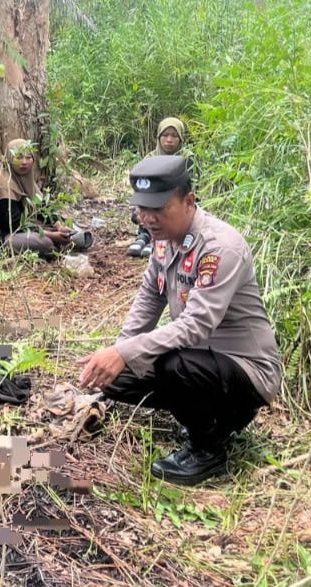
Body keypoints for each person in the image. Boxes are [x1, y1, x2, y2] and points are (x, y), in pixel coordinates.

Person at [77, 155, 281, 485]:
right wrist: (117, 353)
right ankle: (215, 417)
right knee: (114, 380)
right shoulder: (165, 242)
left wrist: (126, 353)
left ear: (189, 200)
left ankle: (208, 448)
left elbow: (196, 325)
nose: (148, 218)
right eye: (143, 209)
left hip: (244, 368)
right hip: (197, 357)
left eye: (158, 209)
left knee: (175, 367)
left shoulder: (219, 248)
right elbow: (148, 300)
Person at [0, 139, 86, 258]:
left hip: (21, 230)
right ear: (9, 159)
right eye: (19, 157)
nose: (24, 162)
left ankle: (66, 240)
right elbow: (15, 225)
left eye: (28, 157)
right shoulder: (1, 185)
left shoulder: (25, 179)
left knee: (68, 228)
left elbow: (41, 207)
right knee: (45, 243)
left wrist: (59, 225)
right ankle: (57, 244)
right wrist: (52, 235)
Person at [127, 116, 192, 258]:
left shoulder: (187, 159)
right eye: (165, 135)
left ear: (181, 139)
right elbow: (141, 190)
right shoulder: (150, 159)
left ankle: (160, 242)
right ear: (158, 137)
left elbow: (192, 188)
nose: (169, 140)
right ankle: (144, 236)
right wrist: (138, 211)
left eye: (174, 136)